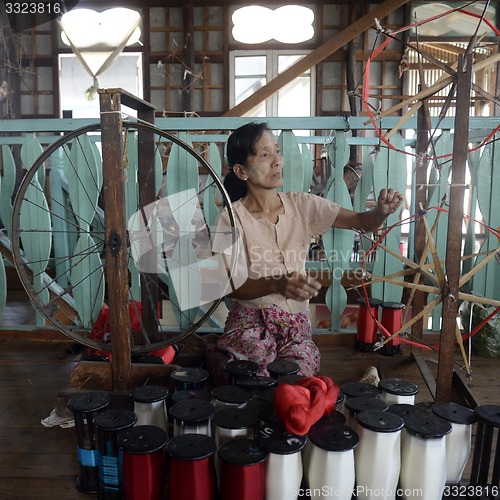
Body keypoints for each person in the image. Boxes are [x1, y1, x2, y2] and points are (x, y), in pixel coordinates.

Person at [205, 122, 403, 385]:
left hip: (295, 328)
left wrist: (380, 213)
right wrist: (276, 282)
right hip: (250, 325)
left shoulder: (302, 205)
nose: (277, 161)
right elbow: (228, 286)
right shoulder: (230, 218)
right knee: (254, 376)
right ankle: (217, 353)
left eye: (276, 151)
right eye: (264, 155)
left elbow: (360, 222)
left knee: (296, 377)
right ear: (241, 171)